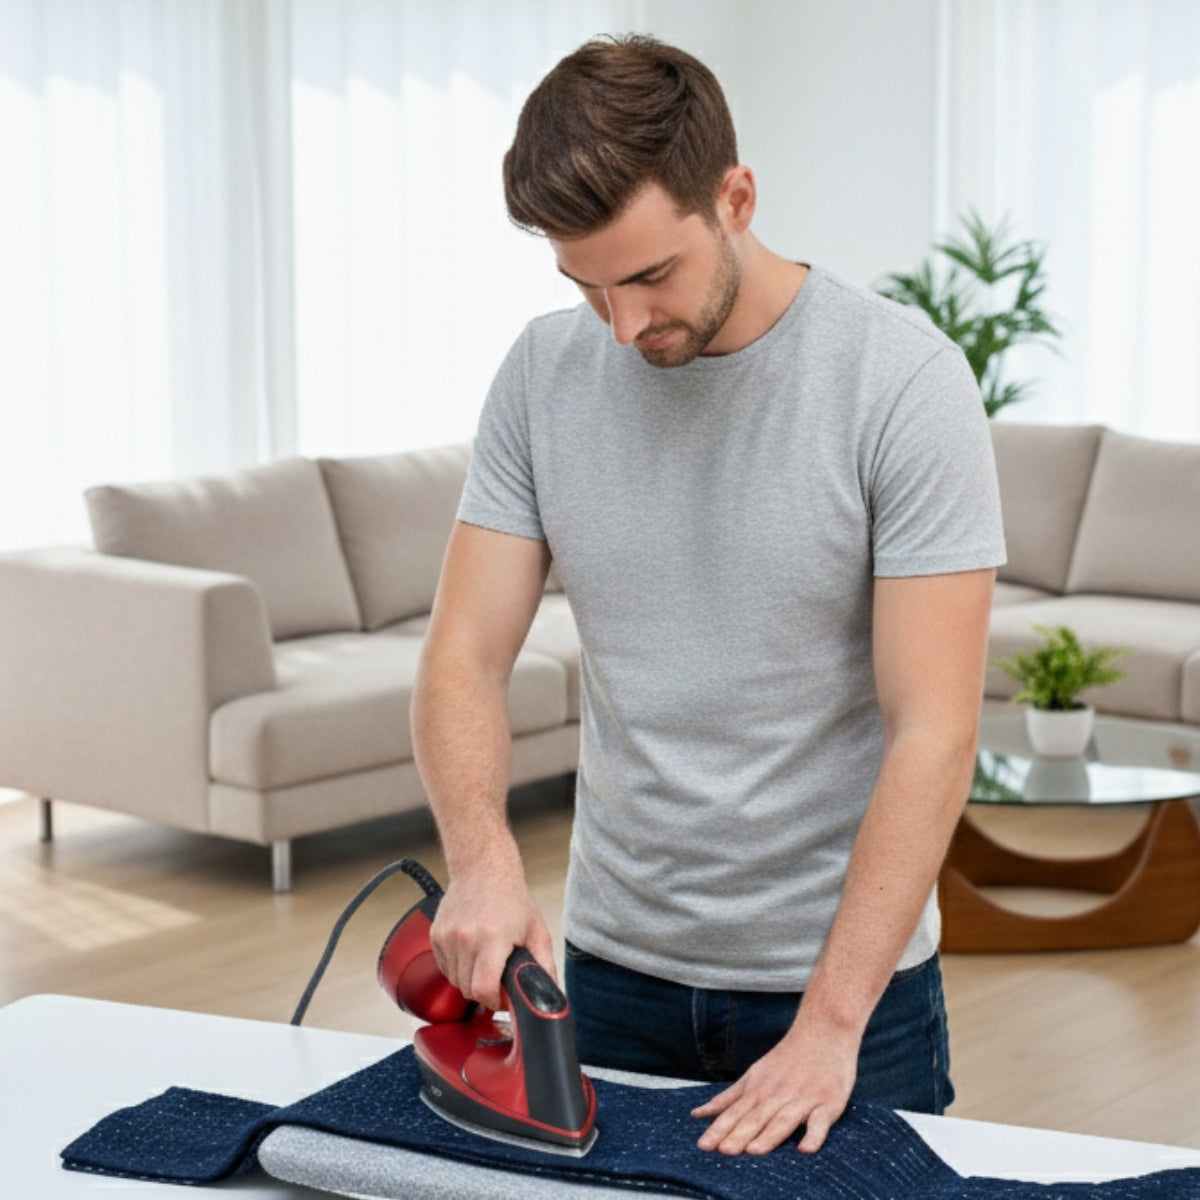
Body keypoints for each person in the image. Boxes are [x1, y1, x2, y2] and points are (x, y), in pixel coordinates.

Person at [411, 34, 1005, 1158]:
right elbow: (462, 657)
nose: (623, 327)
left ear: (735, 197)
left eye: (648, 276)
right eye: (585, 286)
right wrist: (484, 858)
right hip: (612, 970)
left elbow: (934, 728)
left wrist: (832, 1025)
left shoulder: (902, 385)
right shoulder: (542, 376)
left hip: (844, 995)